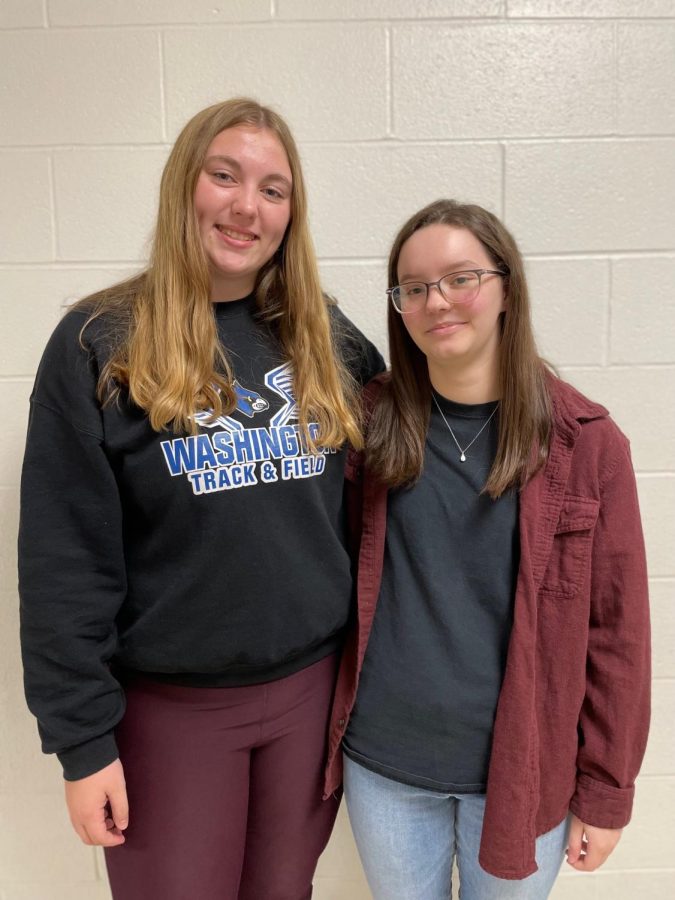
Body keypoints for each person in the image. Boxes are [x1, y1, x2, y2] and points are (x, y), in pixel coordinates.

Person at [18, 97, 383, 900]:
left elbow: (410, 462)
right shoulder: (99, 342)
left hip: (308, 700)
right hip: (168, 712)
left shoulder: (324, 335)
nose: (246, 205)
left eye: (273, 189)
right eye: (224, 175)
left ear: (292, 213)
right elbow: (61, 562)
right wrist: (81, 744)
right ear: (186, 185)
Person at [323, 200, 650, 899]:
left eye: (459, 278)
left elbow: (617, 634)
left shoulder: (587, 443)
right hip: (384, 767)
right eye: (413, 287)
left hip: (520, 772)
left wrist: (606, 790)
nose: (436, 300)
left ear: (505, 287)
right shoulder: (370, 426)